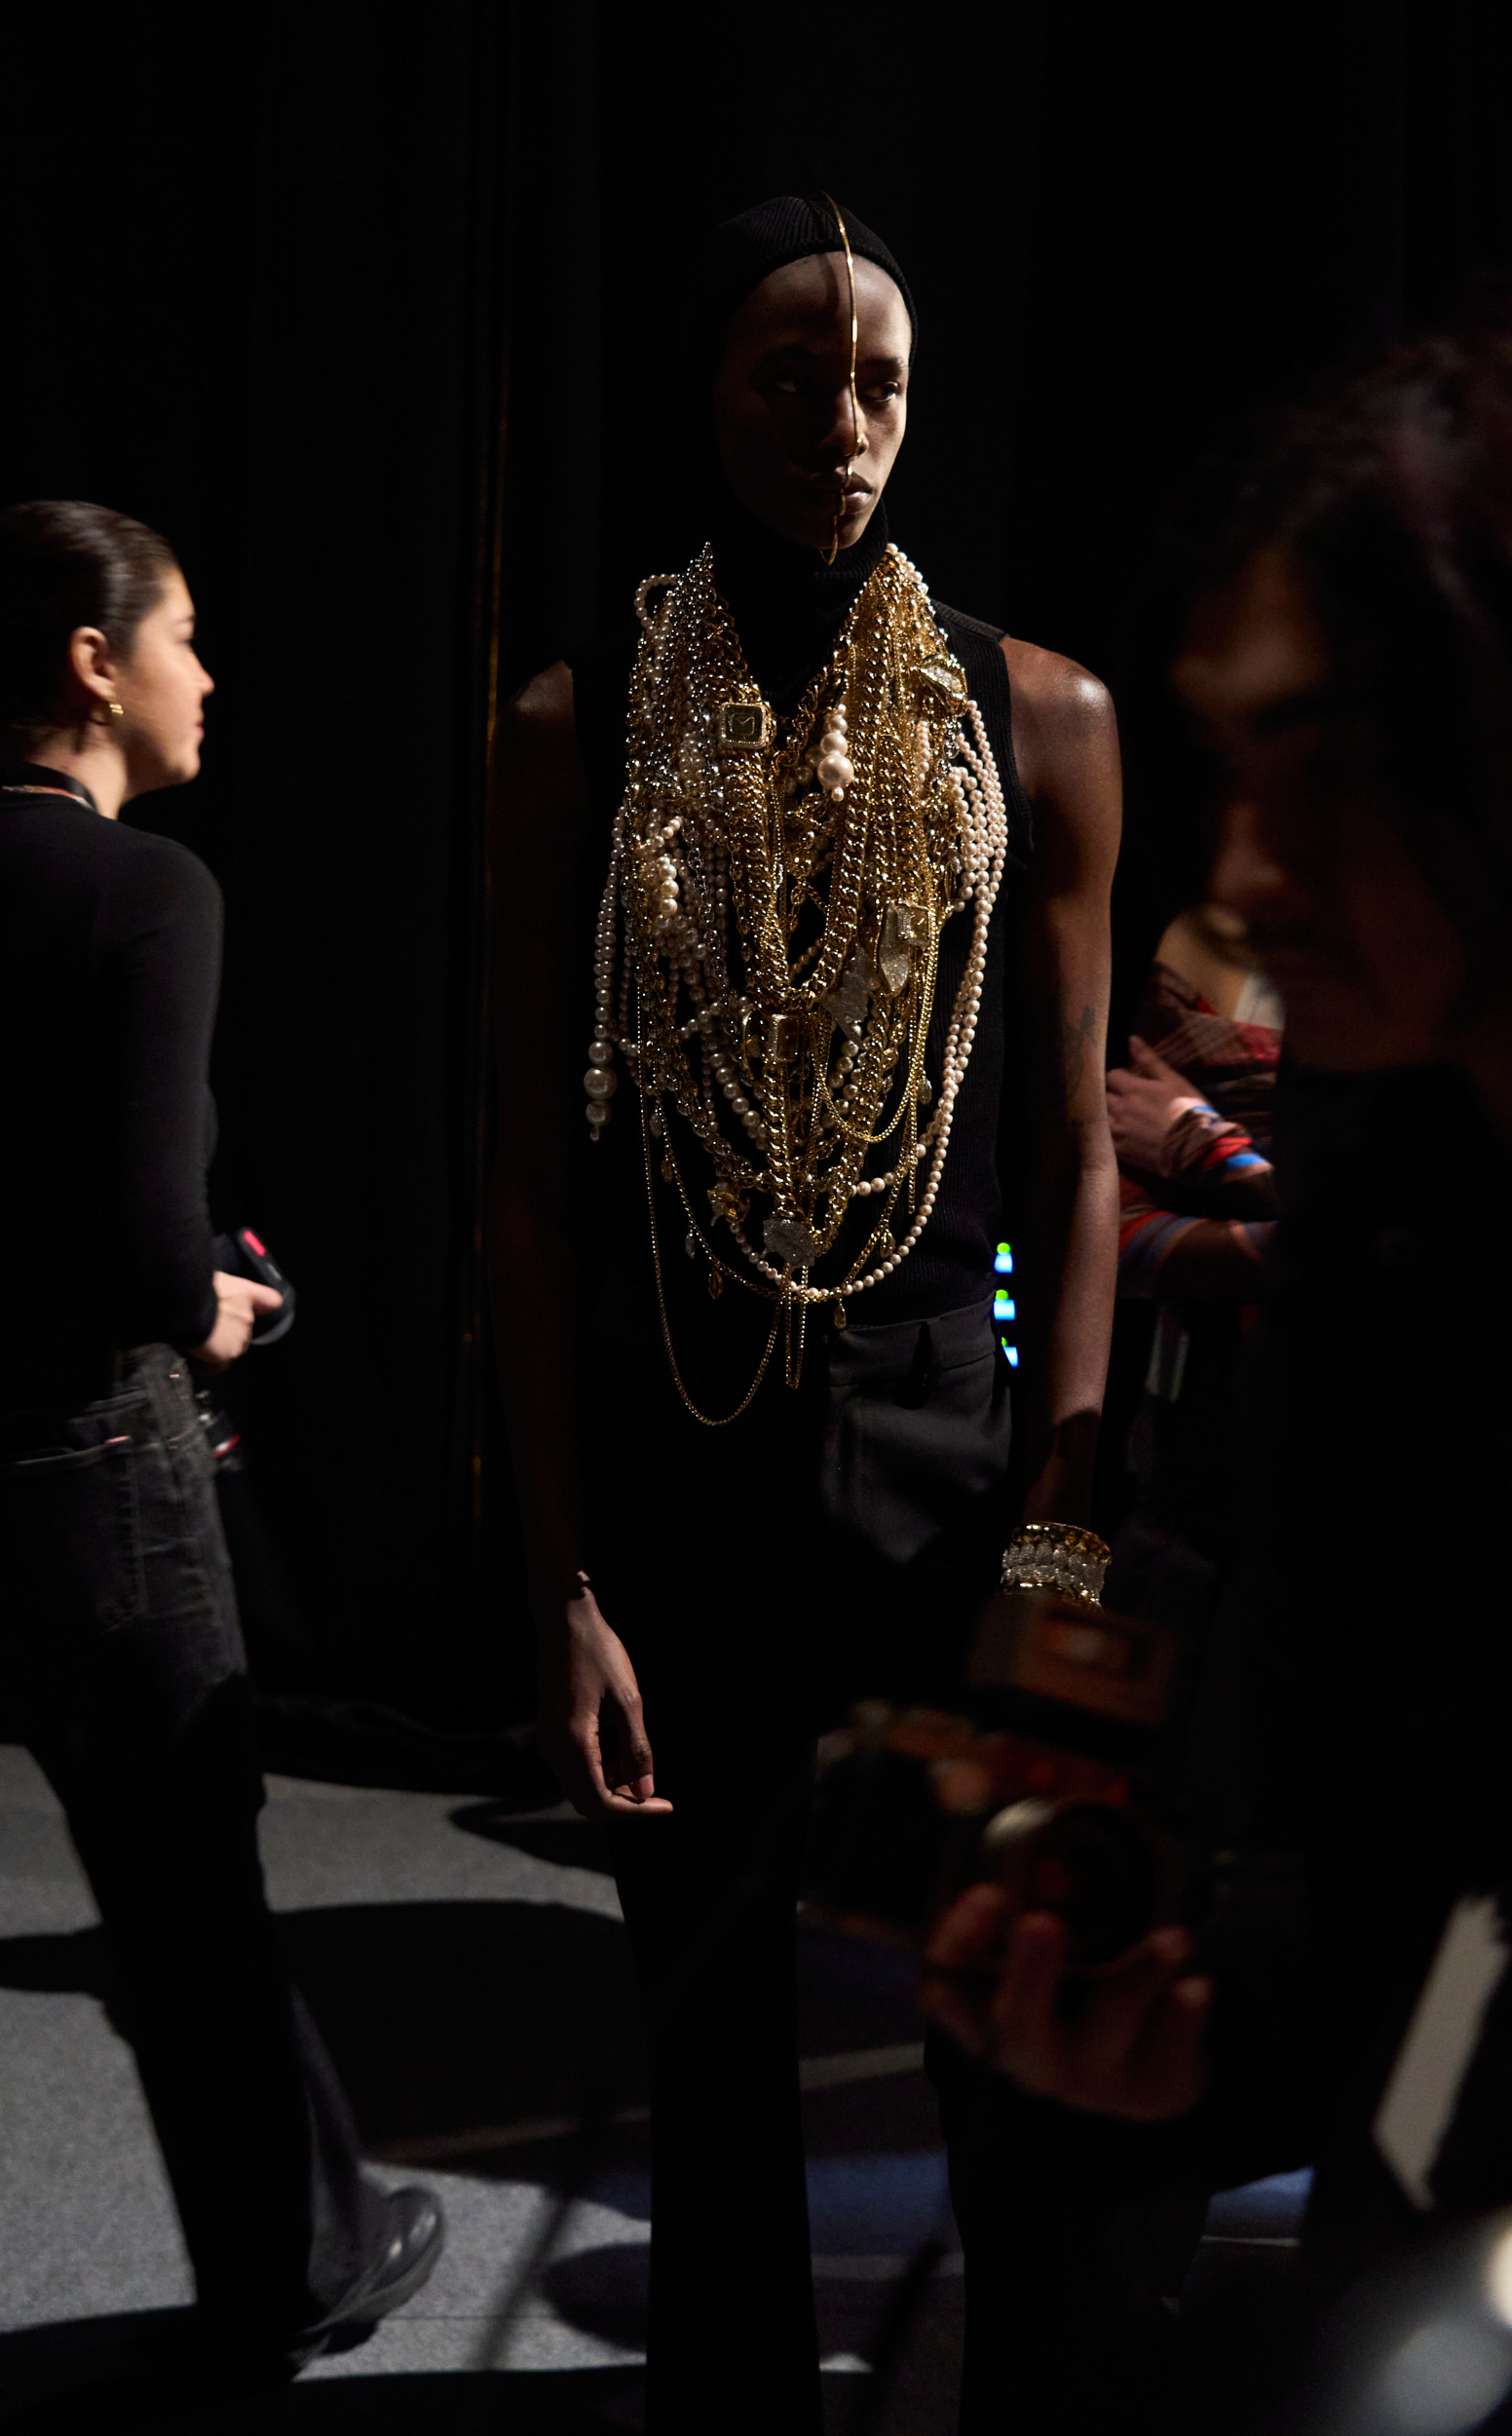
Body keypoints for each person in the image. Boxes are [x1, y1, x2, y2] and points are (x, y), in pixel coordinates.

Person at [487, 196, 1120, 2432]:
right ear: (707, 390)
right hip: (688, 1475)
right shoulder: (586, 725)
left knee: (989, 2018)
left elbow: (1069, 1142)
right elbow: (540, 1189)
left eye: (880, 384)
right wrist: (563, 1579)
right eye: (788, 376)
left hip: (954, 1485)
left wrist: (1060, 1527)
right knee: (706, 2032)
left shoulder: (1033, 718)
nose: (841, 427)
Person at [925, 331, 1512, 2431]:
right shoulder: (1384, 1264)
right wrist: (1189, 2062)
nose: (1244, 870)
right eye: (1226, 767)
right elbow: (1445, 1941)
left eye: (1309, 770)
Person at [0, 503, 442, 2376]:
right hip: (87, 1484)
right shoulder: (148, 892)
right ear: (92, 663)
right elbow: (137, 1243)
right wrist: (229, 1294)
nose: (209, 676)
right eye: (185, 635)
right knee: (186, 1902)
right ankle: (296, 2268)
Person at [1105, 904, 1281, 1636]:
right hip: (1182, 1485)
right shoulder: (1213, 938)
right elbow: (1115, 1239)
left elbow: (1397, 1256)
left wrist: (1209, 1147)